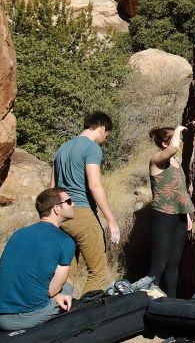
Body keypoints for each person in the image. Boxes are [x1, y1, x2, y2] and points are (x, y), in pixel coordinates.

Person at [51, 111, 119, 295]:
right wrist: (111, 220)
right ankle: (88, 316)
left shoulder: (62, 149)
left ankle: (60, 315)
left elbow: (52, 188)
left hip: (60, 215)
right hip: (82, 212)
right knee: (98, 273)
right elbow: (95, 185)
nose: (104, 139)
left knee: (66, 272)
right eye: (106, 135)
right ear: (101, 128)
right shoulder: (92, 148)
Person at [0, 188, 76, 331]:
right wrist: (58, 295)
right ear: (56, 209)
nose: (73, 204)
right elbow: (52, 291)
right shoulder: (65, 241)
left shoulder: (18, 234)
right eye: (68, 202)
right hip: (27, 317)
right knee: (68, 284)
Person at [146, 125, 194, 298]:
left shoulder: (176, 161)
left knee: (174, 265)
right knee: (158, 265)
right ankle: (143, 304)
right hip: (163, 217)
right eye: (174, 138)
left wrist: (186, 213)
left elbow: (180, 189)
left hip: (179, 216)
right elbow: (174, 147)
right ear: (165, 144)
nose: (178, 142)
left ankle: (172, 303)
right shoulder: (156, 160)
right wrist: (180, 129)